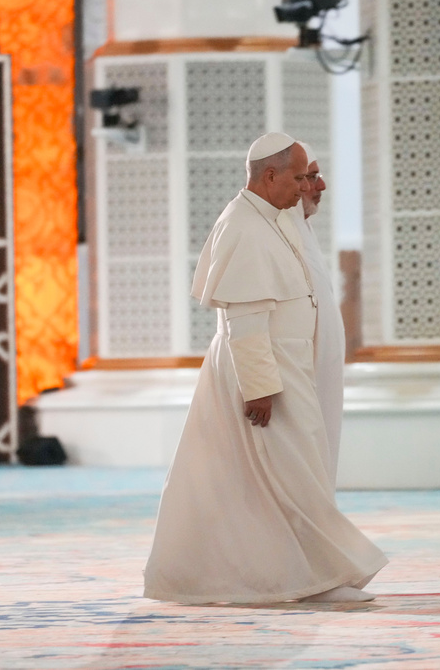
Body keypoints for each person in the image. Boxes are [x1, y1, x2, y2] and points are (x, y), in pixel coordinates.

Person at [142, 132, 387, 605]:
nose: (304, 188)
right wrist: (259, 388)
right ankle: (318, 579)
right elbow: (246, 319)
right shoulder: (243, 226)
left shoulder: (270, 214)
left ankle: (298, 575)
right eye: (299, 178)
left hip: (283, 367)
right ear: (269, 176)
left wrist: (310, 188)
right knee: (293, 475)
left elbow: (300, 220)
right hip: (264, 373)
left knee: (283, 476)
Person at [280, 142, 345, 488]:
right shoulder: (275, 236)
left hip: (321, 373)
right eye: (311, 177)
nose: (320, 186)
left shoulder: (304, 231)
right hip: (295, 375)